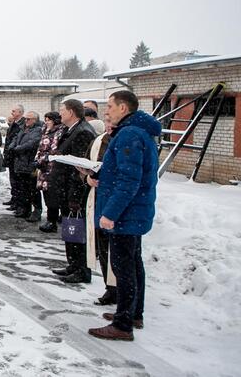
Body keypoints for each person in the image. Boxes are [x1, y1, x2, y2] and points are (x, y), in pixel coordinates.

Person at [88, 91, 161, 341]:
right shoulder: (135, 131)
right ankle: (133, 313)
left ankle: (123, 324)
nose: (106, 111)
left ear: (123, 107)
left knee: (124, 268)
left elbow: (129, 180)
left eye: (109, 106)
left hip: (126, 214)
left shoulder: (130, 134)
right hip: (133, 211)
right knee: (133, 263)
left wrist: (110, 213)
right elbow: (121, 171)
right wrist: (99, 176)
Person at [50, 99, 97, 284]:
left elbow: (80, 167)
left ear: (71, 112)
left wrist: (75, 196)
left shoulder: (83, 132)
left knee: (77, 231)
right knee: (71, 230)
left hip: (74, 191)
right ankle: (73, 264)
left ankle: (81, 269)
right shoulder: (71, 129)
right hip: (65, 188)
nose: (59, 114)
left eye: (62, 110)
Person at [79, 115, 117, 306]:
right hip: (97, 198)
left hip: (115, 202)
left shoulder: (123, 142)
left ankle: (120, 289)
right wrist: (87, 178)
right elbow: (86, 165)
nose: (109, 126)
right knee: (103, 248)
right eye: (107, 122)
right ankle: (109, 288)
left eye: (112, 122)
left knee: (116, 250)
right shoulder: (98, 142)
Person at [9, 111, 43, 219]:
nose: (26, 121)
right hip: (20, 163)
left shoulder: (38, 130)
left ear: (35, 120)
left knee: (32, 189)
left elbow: (32, 143)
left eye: (29, 119)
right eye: (26, 118)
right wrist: (12, 146)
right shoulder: (23, 128)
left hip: (29, 163)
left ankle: (36, 211)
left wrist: (18, 148)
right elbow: (15, 139)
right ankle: (25, 209)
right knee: (22, 188)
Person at [36, 112, 65, 233]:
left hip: (52, 168)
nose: (46, 122)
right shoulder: (46, 131)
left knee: (53, 196)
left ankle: (52, 221)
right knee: (47, 194)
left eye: (49, 120)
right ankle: (50, 219)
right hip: (43, 168)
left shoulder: (59, 132)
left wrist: (43, 159)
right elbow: (41, 147)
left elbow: (54, 150)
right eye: (45, 119)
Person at [3, 104, 26, 209]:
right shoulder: (14, 123)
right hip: (11, 155)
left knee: (18, 181)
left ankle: (18, 202)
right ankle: (14, 199)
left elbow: (17, 139)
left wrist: (12, 148)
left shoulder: (22, 124)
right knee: (13, 179)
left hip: (17, 155)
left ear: (20, 112)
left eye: (14, 111)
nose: (12, 113)